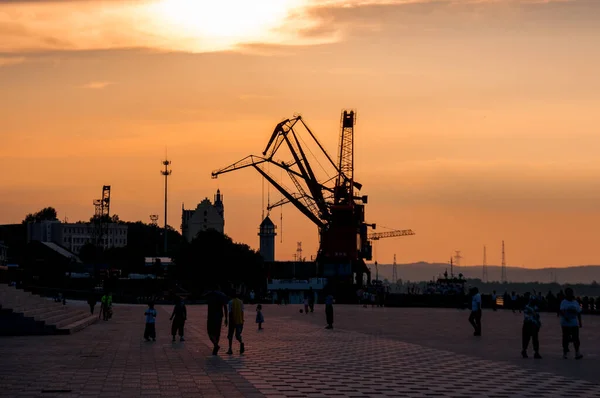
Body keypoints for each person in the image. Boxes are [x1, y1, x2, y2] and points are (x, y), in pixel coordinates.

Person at [560, 287, 583, 359]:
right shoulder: (563, 302)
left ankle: (577, 352)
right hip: (565, 323)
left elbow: (579, 313)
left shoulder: (575, 302)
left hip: (574, 323)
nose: (570, 294)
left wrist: (580, 322)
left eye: (571, 292)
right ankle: (565, 353)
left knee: (576, 338)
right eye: (568, 293)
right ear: (566, 294)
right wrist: (566, 317)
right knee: (565, 338)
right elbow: (561, 311)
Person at [205, 285, 229, 355]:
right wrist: (226, 318)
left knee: (210, 332)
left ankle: (215, 345)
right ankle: (215, 346)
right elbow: (225, 307)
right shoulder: (222, 295)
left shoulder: (210, 294)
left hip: (211, 316)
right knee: (217, 333)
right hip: (219, 316)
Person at [521, 293, 542, 359]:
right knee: (527, 338)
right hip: (528, 324)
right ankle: (525, 350)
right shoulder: (528, 307)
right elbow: (528, 317)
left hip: (533, 324)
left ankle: (536, 352)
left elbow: (537, 316)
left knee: (534, 339)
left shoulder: (534, 307)